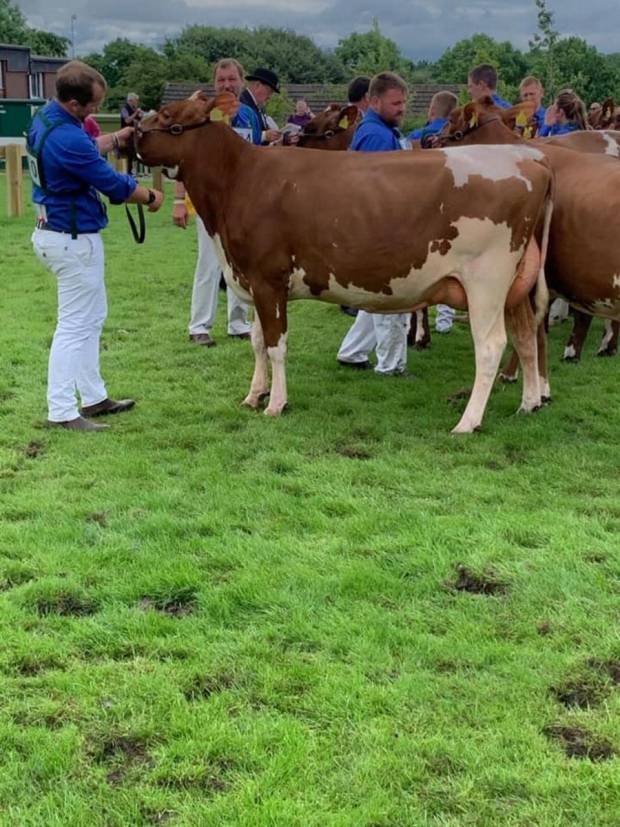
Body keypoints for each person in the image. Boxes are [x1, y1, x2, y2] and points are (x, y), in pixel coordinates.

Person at [28, 61, 164, 432]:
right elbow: (111, 183)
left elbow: (86, 148)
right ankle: (61, 411)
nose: (94, 111)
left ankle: (93, 397)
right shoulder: (67, 137)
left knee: (92, 317)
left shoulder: (47, 119)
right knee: (73, 325)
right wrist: (150, 194)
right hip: (73, 238)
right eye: (91, 105)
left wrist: (116, 138)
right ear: (73, 103)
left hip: (57, 232)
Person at [173, 58, 262, 346]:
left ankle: (238, 322)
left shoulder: (249, 115)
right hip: (210, 201)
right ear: (214, 83)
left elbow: (256, 158)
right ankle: (199, 326)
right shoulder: (202, 115)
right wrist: (178, 200)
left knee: (243, 264)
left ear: (242, 81)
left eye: (232, 79)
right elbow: (183, 159)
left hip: (245, 201)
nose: (227, 84)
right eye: (221, 80)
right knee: (209, 262)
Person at [336, 71, 412, 377]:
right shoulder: (378, 136)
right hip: (380, 229)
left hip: (367, 228)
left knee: (374, 296)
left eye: (404, 103)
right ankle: (392, 366)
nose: (402, 108)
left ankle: (352, 352)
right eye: (396, 103)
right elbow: (380, 193)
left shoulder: (374, 130)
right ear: (375, 101)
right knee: (392, 295)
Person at [240, 68, 281, 144]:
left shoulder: (257, 106)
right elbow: (241, 136)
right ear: (257, 85)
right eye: (270, 91)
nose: (270, 96)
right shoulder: (242, 103)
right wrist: (265, 135)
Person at [120, 93, 143, 175]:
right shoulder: (124, 109)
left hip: (135, 133)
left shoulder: (135, 109)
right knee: (130, 150)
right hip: (126, 134)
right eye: (135, 101)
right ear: (130, 101)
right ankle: (130, 171)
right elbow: (127, 121)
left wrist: (140, 115)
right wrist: (136, 113)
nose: (137, 102)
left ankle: (136, 169)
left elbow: (139, 120)